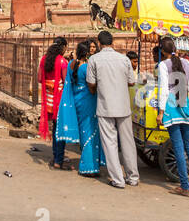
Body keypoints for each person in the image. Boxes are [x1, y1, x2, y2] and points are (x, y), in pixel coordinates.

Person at [84, 31, 138, 188]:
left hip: (105, 105)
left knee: (110, 143)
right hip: (123, 106)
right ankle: (133, 176)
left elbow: (91, 84)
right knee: (128, 142)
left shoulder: (94, 59)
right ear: (112, 42)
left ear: (99, 44)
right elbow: (131, 82)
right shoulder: (124, 59)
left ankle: (118, 179)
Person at [154, 37, 189, 196]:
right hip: (184, 104)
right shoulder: (187, 63)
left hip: (171, 106)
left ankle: (185, 186)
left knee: (179, 147)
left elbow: (163, 90)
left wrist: (160, 112)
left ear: (162, 51)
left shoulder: (163, 65)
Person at [55, 40, 105, 177]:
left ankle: (89, 162)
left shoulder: (72, 64)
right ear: (86, 52)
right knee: (89, 132)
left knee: (84, 131)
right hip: (88, 101)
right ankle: (89, 167)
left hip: (76, 100)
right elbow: (92, 85)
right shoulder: (86, 67)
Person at [38, 38, 69, 168]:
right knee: (60, 129)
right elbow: (66, 81)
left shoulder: (44, 59)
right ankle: (58, 159)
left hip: (49, 99)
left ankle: (56, 156)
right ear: (63, 48)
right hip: (59, 99)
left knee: (55, 128)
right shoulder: (62, 62)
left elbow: (40, 78)